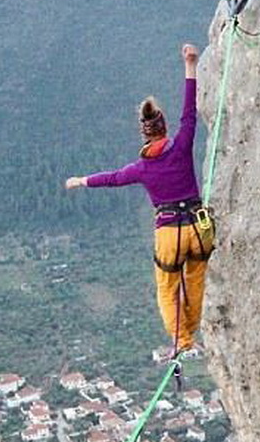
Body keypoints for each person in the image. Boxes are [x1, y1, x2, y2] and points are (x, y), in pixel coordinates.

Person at [65, 44, 214, 357]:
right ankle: (191, 335)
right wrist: (190, 65)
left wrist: (81, 180)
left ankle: (184, 342)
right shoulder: (182, 145)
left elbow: (113, 178)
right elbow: (190, 113)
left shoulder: (143, 168)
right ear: (164, 128)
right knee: (196, 279)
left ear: (145, 134)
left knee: (167, 288)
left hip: (169, 233)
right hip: (199, 228)